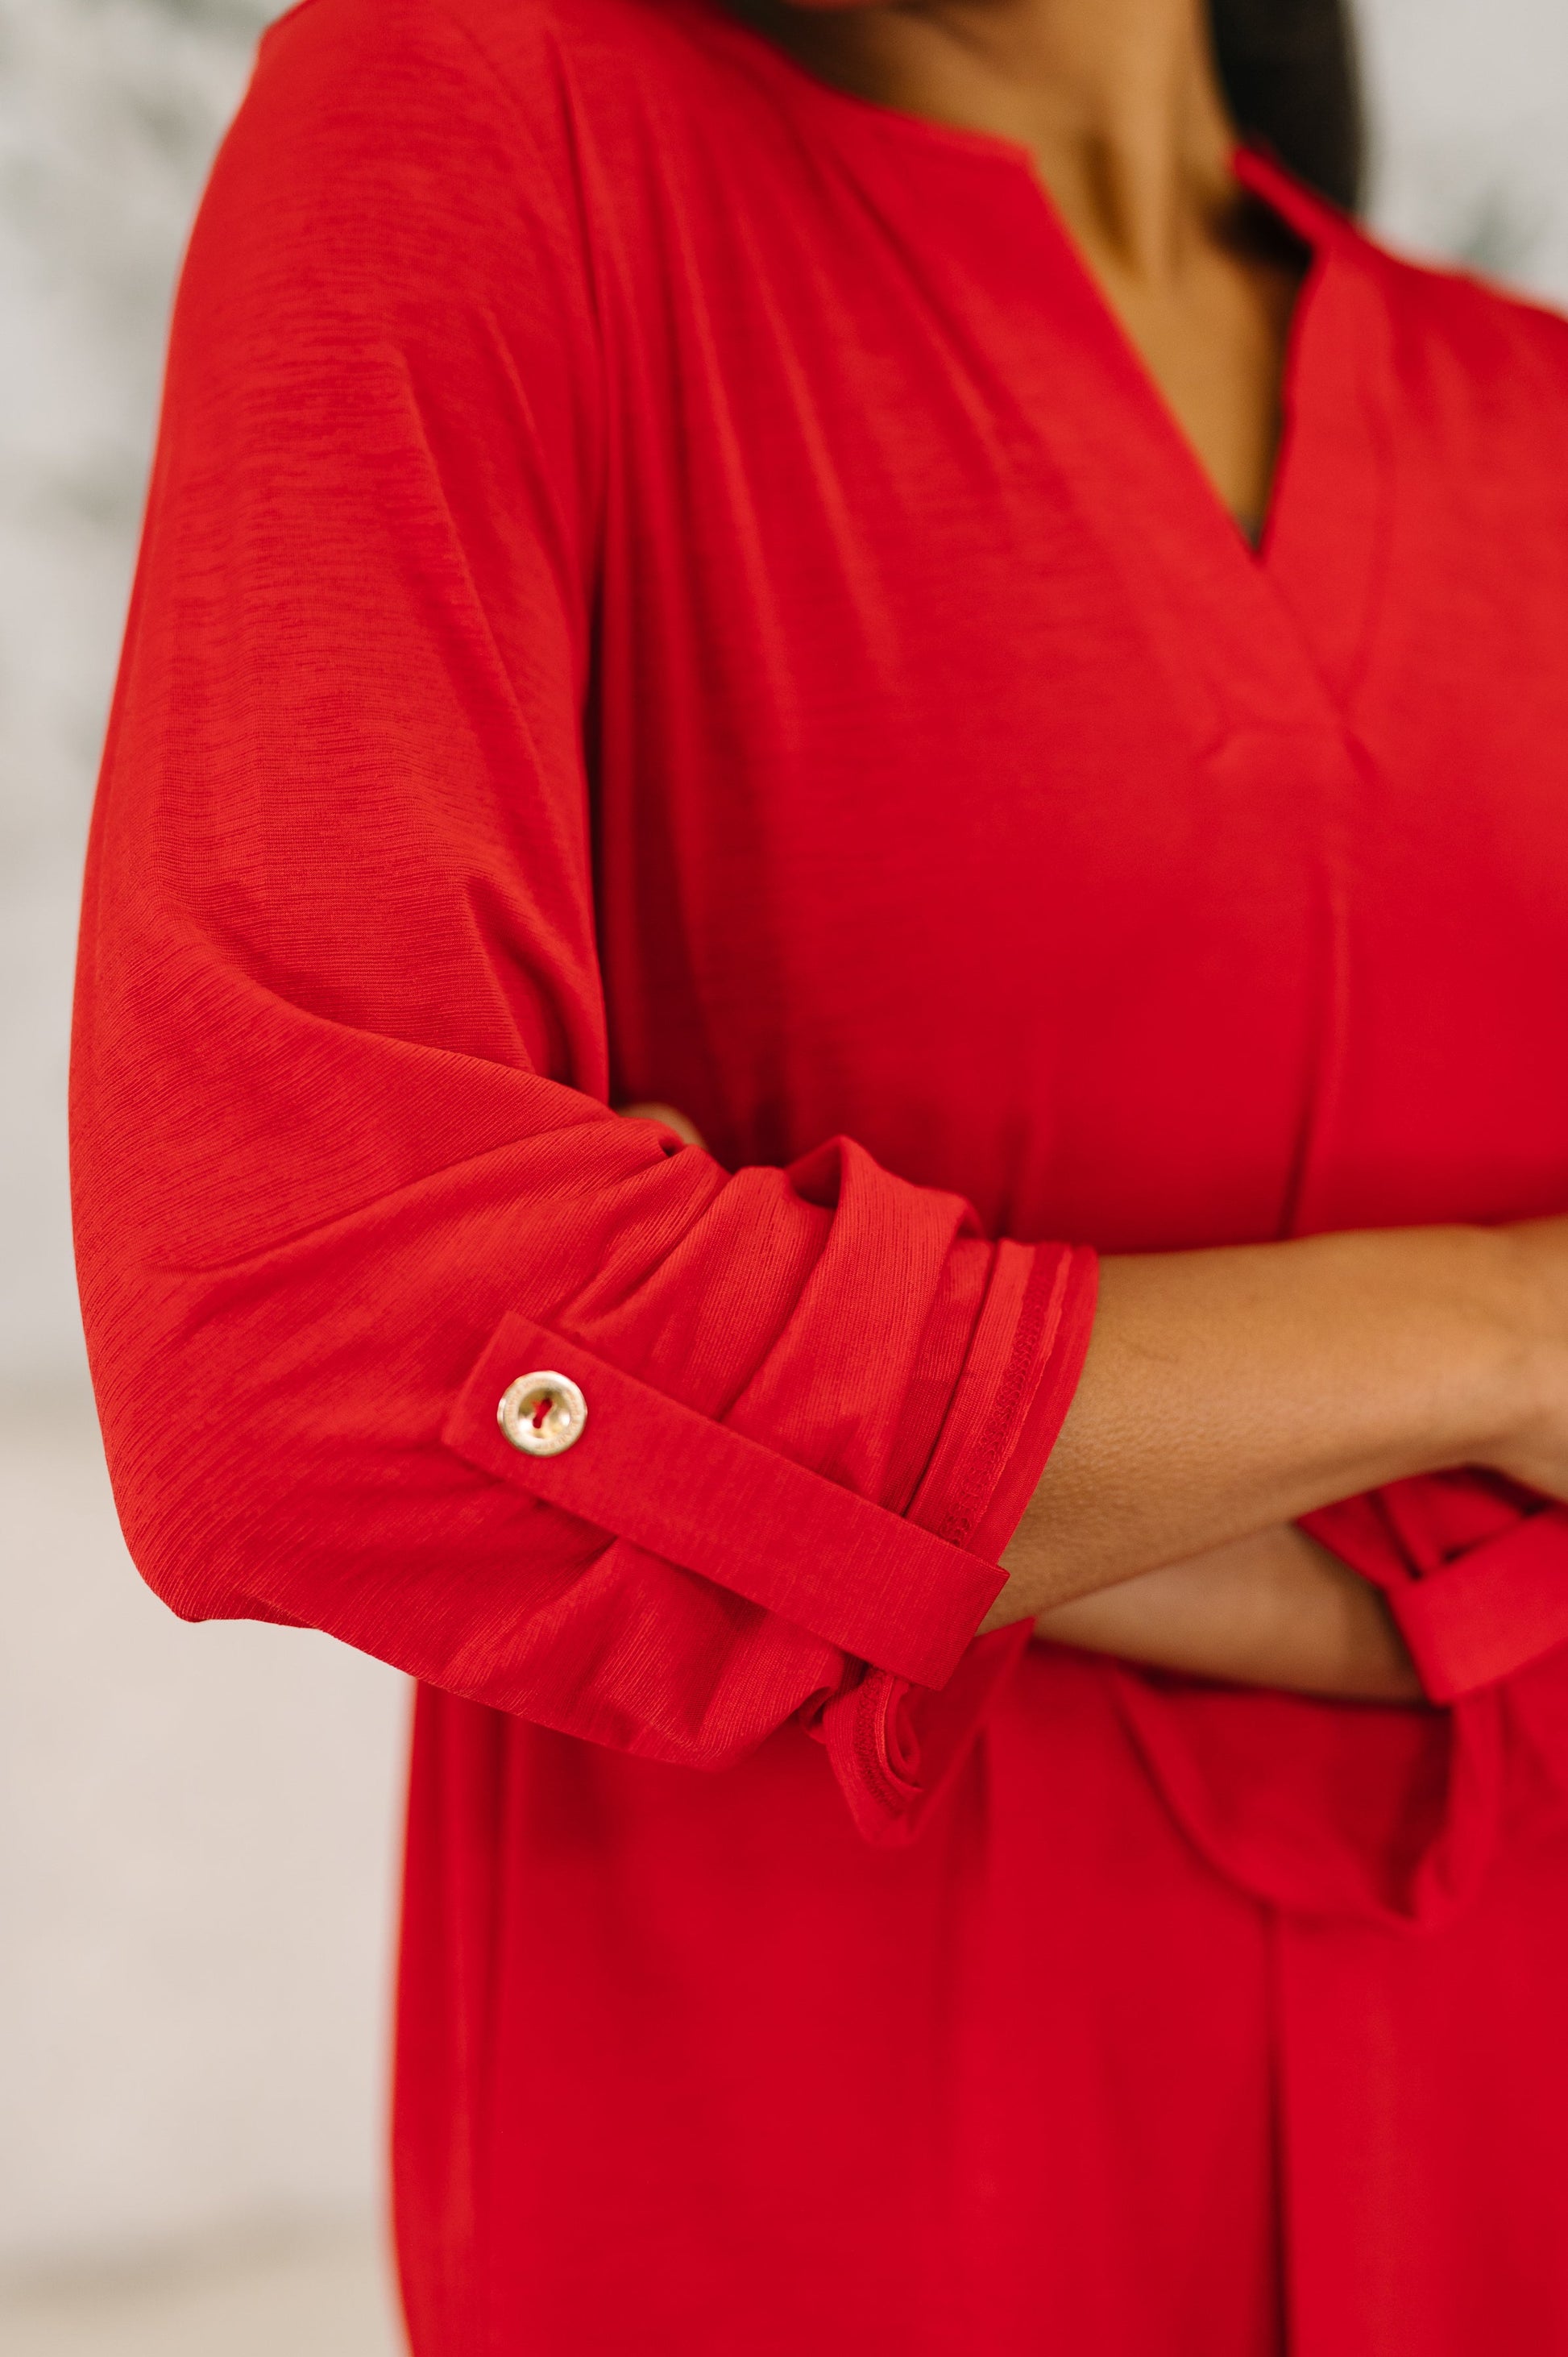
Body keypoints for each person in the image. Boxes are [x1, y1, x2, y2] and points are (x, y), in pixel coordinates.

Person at [69, 0, 1568, 2345]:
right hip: (825, 2222)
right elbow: (301, 1340)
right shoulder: (475, 127)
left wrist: (768, 1398)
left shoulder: (1537, 426)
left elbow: (517, 1388)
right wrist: (1504, 1336)